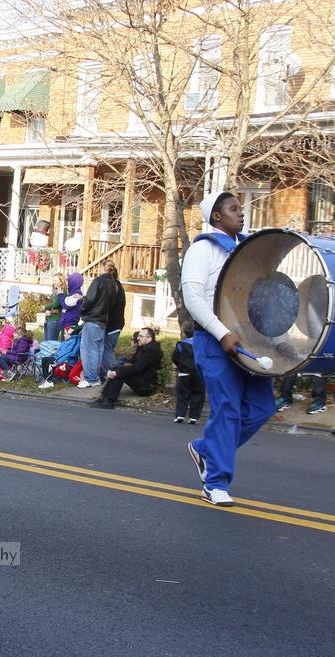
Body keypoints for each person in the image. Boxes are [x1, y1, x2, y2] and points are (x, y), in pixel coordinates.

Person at [181, 190, 275, 507]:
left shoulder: (246, 249)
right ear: (217, 217)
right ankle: (216, 481)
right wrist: (222, 333)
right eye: (234, 208)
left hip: (248, 339)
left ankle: (207, 450)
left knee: (262, 408)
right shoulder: (203, 249)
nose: (242, 212)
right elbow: (193, 299)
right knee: (228, 409)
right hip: (214, 339)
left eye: (241, 208)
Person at [91, 327, 163, 409]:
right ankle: (103, 398)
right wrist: (116, 369)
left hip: (147, 386)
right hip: (141, 378)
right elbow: (132, 362)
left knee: (121, 373)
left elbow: (137, 367)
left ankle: (109, 401)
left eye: (140, 336)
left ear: (149, 338)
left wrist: (117, 372)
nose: (138, 338)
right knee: (118, 369)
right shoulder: (143, 348)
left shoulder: (152, 350)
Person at [77, 267, 119, 388]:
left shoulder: (98, 281)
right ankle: (95, 377)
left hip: (92, 319)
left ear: (103, 269)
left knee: (88, 350)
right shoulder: (113, 284)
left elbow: (89, 299)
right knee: (98, 351)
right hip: (102, 321)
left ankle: (91, 378)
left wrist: (82, 309)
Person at [173, 322, 205, 423]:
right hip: (199, 373)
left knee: (182, 394)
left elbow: (175, 358)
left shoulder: (181, 345)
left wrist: (180, 366)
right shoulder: (203, 345)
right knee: (198, 394)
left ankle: (180, 414)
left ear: (185, 332)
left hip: (184, 373)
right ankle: (194, 417)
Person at [100, 261, 127, 376]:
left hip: (112, 324)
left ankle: (114, 375)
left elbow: (106, 304)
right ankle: (110, 372)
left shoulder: (111, 285)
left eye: (101, 269)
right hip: (117, 323)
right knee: (108, 349)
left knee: (107, 350)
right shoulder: (117, 284)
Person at [42, 274, 64, 342]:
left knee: (51, 343)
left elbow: (56, 304)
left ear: (61, 281)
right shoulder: (54, 291)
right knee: (46, 342)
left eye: (56, 280)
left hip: (55, 320)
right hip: (49, 319)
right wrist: (48, 310)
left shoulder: (62, 291)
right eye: (53, 280)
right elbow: (51, 303)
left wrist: (45, 307)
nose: (54, 282)